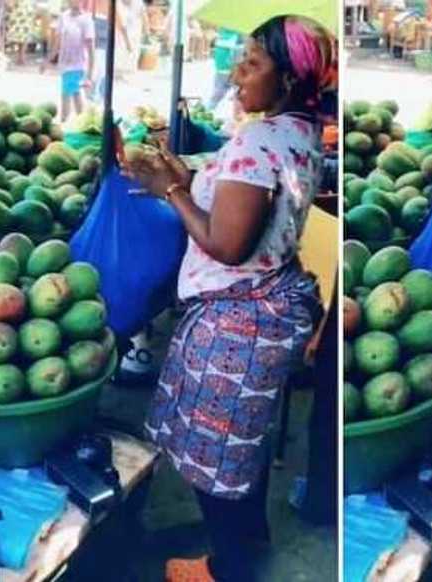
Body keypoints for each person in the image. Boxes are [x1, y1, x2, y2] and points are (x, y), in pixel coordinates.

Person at [125, 15, 336, 582]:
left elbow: (227, 243)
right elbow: (246, 202)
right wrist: (188, 174)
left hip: (236, 318)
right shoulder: (301, 132)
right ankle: (249, 539)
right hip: (273, 302)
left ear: (289, 79)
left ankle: (227, 568)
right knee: (242, 438)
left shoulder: (258, 139)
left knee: (214, 453)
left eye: (252, 63)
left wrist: (167, 189)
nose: (236, 72)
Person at [47, 0, 93, 122]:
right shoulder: (64, 17)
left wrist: (89, 74)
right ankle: (76, 121)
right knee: (69, 94)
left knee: (72, 94)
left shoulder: (86, 20)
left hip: (77, 65)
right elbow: (58, 41)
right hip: (64, 64)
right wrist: (49, 59)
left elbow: (90, 48)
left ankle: (70, 121)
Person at [208, 27, 243, 110]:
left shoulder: (222, 33)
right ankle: (238, 118)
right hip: (232, 69)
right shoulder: (238, 35)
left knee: (216, 95)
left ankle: (208, 110)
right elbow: (238, 52)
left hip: (220, 68)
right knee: (239, 95)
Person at [2, 0, 34, 66]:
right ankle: (21, 57)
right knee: (23, 34)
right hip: (24, 8)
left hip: (21, 9)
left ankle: (21, 57)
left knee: (22, 33)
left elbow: (9, 3)